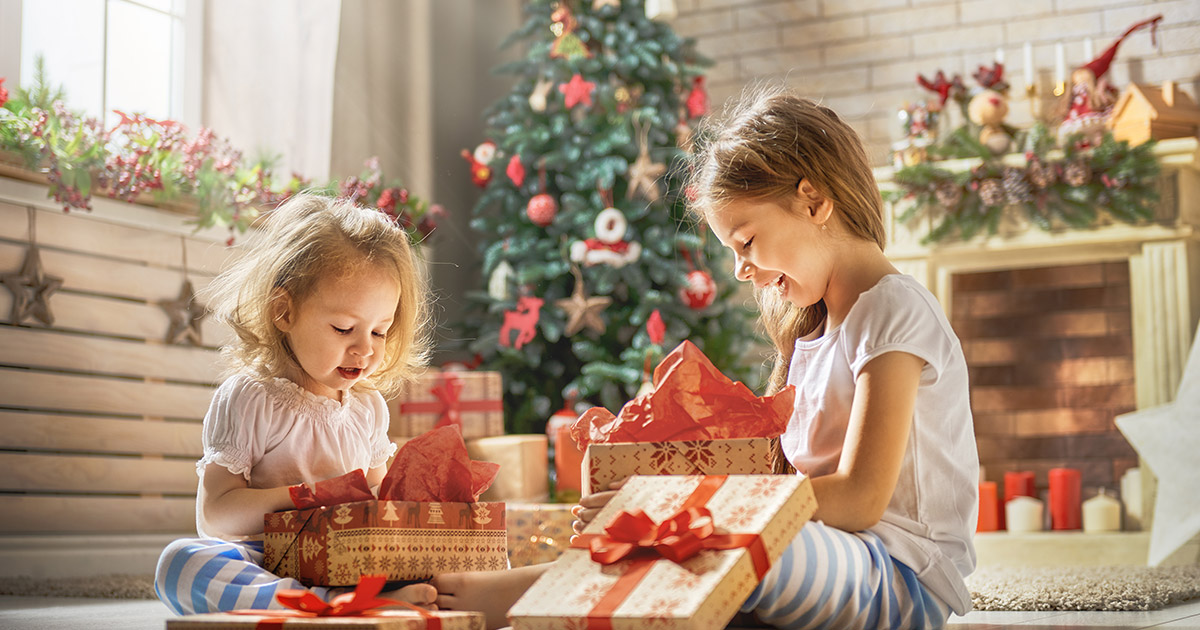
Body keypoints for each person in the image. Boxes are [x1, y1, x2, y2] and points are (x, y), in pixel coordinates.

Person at [434, 87, 978, 630]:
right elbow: (783, 484)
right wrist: (646, 507)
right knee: (695, 534)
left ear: (813, 202)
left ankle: (527, 593)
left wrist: (675, 505)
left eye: (746, 242)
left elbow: (860, 500)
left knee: (713, 532)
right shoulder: (816, 334)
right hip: (825, 553)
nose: (741, 270)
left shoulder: (894, 308)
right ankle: (561, 590)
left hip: (899, 574)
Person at [154, 193, 436, 615]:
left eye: (380, 332)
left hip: (346, 559)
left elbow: (382, 499)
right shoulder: (252, 398)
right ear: (283, 312)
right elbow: (214, 517)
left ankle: (360, 600)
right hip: (268, 560)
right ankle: (330, 607)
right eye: (344, 328)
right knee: (181, 564)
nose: (365, 349)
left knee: (454, 559)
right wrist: (308, 497)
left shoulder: (368, 407)